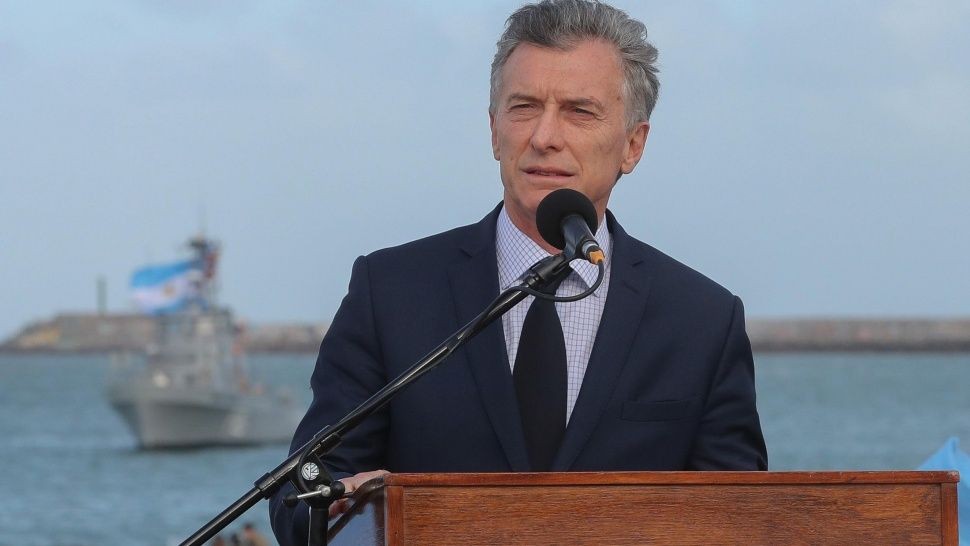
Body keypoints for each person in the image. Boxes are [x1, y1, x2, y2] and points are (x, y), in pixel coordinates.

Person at [271, 1, 767, 543]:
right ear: (494, 130)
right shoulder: (389, 292)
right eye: (524, 107)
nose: (544, 136)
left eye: (579, 111)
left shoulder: (702, 320)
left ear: (633, 144)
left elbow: (742, 519)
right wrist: (344, 509)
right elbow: (299, 496)